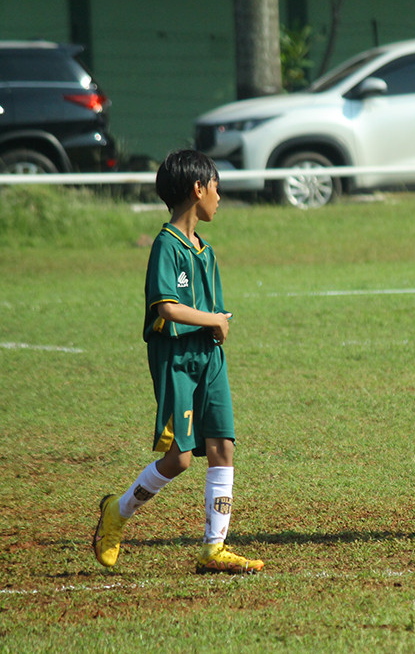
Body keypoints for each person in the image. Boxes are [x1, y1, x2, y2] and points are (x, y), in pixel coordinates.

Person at [92, 150, 263, 574]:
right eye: (217, 187)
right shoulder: (166, 246)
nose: (220, 196)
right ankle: (118, 511)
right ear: (197, 189)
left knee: (223, 447)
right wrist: (212, 321)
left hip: (210, 358)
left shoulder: (206, 251)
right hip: (176, 358)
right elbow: (166, 307)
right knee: (179, 458)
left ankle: (214, 547)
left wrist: (218, 324)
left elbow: (213, 311)